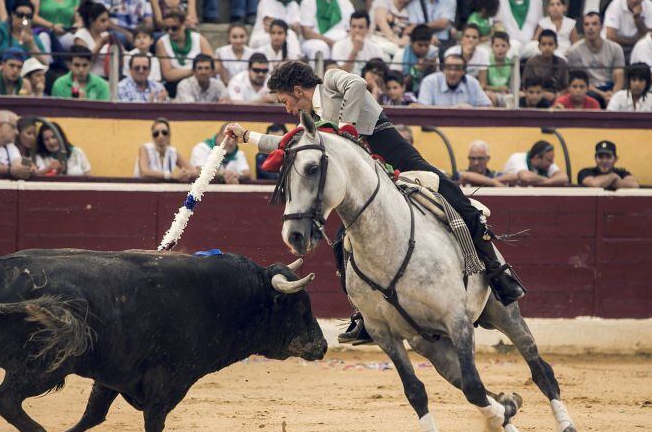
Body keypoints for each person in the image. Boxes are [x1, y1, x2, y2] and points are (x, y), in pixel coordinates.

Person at [225, 62, 527, 344]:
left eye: (285, 101)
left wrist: (344, 127)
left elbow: (357, 84)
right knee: (342, 243)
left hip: (396, 155)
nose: (287, 109)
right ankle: (365, 315)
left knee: (459, 201)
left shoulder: (330, 79)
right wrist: (246, 136)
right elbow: (285, 144)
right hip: (371, 181)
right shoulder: (313, 126)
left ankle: (499, 276)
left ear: (297, 90)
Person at [566, 12, 625, 108]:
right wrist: (603, 94)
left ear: (601, 27)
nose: (590, 27)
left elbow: (619, 79)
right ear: (583, 28)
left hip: (610, 88)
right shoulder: (574, 51)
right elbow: (579, 81)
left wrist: (613, 95)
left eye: (594, 24)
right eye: (586, 24)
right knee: (591, 96)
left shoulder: (616, 48)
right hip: (589, 89)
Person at [0, 0, 48, 76]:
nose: (24, 19)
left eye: (28, 16)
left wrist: (32, 46)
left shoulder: (34, 38)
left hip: (25, 77)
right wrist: (2, 71)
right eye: (20, 15)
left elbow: (45, 64)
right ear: (12, 14)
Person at [155, 8, 213, 97]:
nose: (170, 32)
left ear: (183, 25)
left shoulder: (199, 39)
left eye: (174, 28)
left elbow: (214, 65)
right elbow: (168, 74)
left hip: (199, 82)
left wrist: (197, 72)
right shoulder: (162, 43)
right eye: (166, 29)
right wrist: (195, 70)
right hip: (174, 85)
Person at [418, 54, 493, 107]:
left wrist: (471, 109)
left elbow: (488, 107)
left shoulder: (472, 83)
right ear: (443, 69)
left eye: (457, 69)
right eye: (448, 68)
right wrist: (453, 109)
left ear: (463, 71)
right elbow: (422, 109)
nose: (452, 73)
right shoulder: (429, 82)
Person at [331, 10, 385, 74]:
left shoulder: (376, 48)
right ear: (350, 27)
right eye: (353, 26)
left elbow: (379, 74)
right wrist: (354, 51)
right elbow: (339, 74)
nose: (357, 30)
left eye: (361, 27)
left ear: (367, 28)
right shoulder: (338, 46)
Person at [522, 29, 569, 102]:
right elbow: (525, 86)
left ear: (556, 46)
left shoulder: (561, 63)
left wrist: (557, 96)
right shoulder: (532, 62)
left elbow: (567, 87)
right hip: (535, 98)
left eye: (550, 44)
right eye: (543, 44)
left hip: (557, 98)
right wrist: (541, 94)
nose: (547, 48)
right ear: (539, 46)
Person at [73, 0, 113, 79]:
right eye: (102, 21)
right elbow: (83, 62)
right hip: (90, 78)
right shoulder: (81, 36)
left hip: (109, 77)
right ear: (92, 21)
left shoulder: (105, 34)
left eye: (107, 20)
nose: (107, 24)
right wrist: (100, 44)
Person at [502, 140, 568, 186]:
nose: (552, 163)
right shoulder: (517, 158)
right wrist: (546, 179)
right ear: (537, 157)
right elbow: (525, 177)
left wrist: (546, 181)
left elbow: (564, 177)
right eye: (549, 160)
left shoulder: (548, 164)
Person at [402, 24, 439, 95]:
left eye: (426, 45)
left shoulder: (433, 52)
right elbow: (404, 83)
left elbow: (434, 80)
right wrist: (416, 70)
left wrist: (433, 66)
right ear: (412, 43)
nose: (423, 48)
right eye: (420, 45)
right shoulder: (405, 53)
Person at [483, 31, 513, 106]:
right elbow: (483, 86)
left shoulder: (511, 64)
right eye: (497, 46)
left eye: (503, 46)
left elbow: (513, 86)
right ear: (491, 47)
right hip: (490, 94)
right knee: (489, 96)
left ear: (509, 47)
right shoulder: (486, 61)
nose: (500, 49)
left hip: (506, 95)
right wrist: (498, 88)